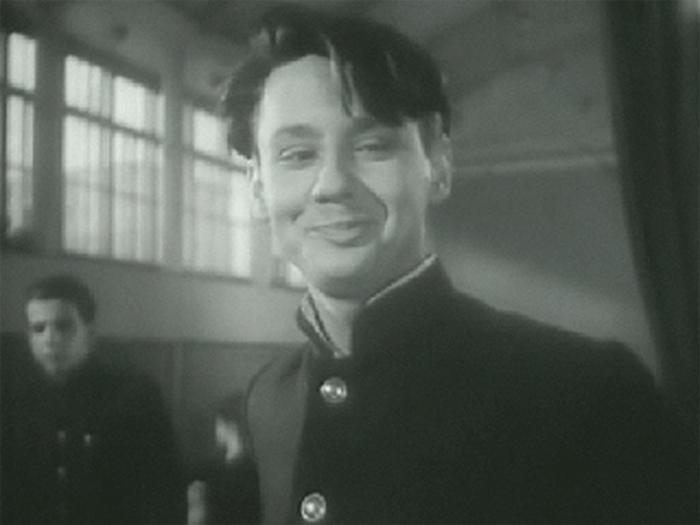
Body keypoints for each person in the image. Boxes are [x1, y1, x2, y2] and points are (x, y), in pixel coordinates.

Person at [221, 5, 697, 524]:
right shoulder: (269, 399)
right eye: (296, 155)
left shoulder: (590, 395)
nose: (332, 184)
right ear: (258, 188)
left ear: (439, 165)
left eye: (373, 145)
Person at [0, 274, 184, 524]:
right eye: (38, 328)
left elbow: (164, 494)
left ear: (90, 334)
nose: (50, 339)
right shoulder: (12, 402)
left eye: (63, 326)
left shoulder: (134, 397)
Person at [187, 393, 260, 525]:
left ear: (230, 426)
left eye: (219, 423)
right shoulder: (251, 470)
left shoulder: (233, 475)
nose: (216, 428)